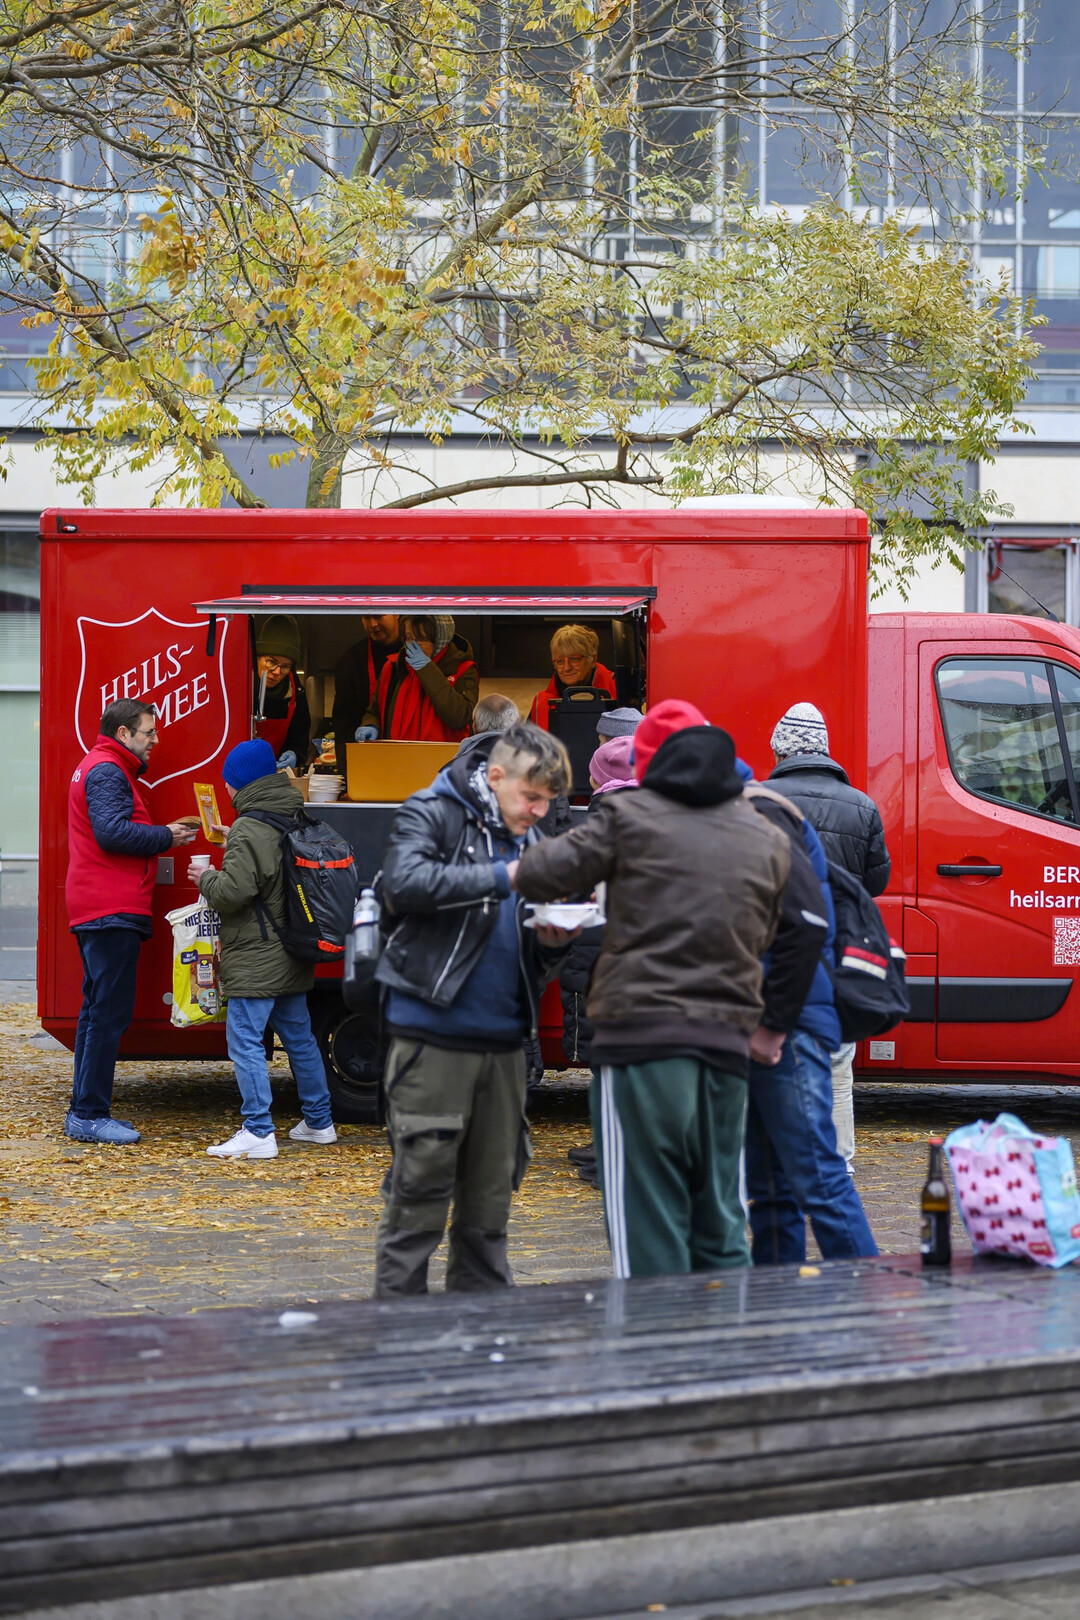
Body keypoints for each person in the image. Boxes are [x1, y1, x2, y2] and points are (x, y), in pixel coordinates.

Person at [512, 699, 796, 1279]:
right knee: (719, 1211)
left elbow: (548, 871)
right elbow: (779, 934)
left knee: (645, 1214)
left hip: (640, 1036)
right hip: (726, 1042)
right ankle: (724, 1350)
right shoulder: (763, 833)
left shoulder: (628, 815)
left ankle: (654, 1355)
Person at [373, 722, 576, 1296]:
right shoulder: (433, 809)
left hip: (505, 1045)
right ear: (495, 777)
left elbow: (527, 954)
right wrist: (503, 875)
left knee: (490, 1209)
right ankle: (398, 1343)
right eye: (531, 797)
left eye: (548, 801)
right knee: (418, 1203)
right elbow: (403, 884)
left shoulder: (530, 836)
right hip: (433, 1036)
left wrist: (554, 939)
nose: (539, 811)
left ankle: (485, 1344)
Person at [737, 757, 879, 1264]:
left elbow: (803, 926)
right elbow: (876, 874)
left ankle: (868, 1295)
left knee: (817, 1174)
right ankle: (779, 1302)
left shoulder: (758, 814)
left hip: (790, 1023)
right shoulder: (848, 804)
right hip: (788, 1017)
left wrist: (773, 1025)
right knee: (773, 1182)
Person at [190, 739, 335, 1161]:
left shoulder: (251, 826)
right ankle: (319, 1122)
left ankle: (257, 1130)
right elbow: (268, 872)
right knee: (300, 1039)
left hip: (257, 953)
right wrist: (232, 846)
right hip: (291, 947)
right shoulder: (290, 812)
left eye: (230, 784)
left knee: (245, 1041)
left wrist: (205, 876)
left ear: (242, 783)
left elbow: (233, 893)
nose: (228, 792)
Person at [766, 700, 892, 1172]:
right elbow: (876, 882)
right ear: (823, 747)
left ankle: (781, 1159)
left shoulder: (760, 800)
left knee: (777, 1057)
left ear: (780, 748)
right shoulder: (862, 806)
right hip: (839, 949)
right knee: (837, 1063)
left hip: (775, 950)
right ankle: (837, 1160)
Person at [65, 698, 196, 1144]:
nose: (155, 739)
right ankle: (88, 1114)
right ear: (125, 734)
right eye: (149, 732)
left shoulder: (99, 766)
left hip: (101, 906)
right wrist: (167, 836)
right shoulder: (106, 770)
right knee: (107, 1014)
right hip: (109, 907)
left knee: (96, 1010)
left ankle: (83, 1109)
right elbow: (112, 833)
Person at [561, 733, 639, 1189]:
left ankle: (607, 1156)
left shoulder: (596, 822)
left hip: (598, 952)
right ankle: (605, 1146)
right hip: (638, 956)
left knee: (605, 1057)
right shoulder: (655, 818)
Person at [359, 614, 478, 743]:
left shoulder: (463, 669)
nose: (412, 645)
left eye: (420, 639)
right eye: (408, 638)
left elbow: (460, 717)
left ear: (439, 640)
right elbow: (374, 711)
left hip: (443, 758)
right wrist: (370, 725)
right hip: (396, 756)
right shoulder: (392, 667)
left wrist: (426, 669)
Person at [331, 615, 402, 749]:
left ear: (396, 613)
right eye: (366, 617)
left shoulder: (419, 652)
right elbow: (343, 723)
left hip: (411, 752)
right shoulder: (351, 661)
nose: (372, 624)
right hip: (366, 754)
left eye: (378, 616)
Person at [529, 624, 617, 731]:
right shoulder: (541, 702)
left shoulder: (618, 692)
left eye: (574, 659)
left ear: (593, 660)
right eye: (560, 661)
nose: (566, 668)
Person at [253, 615, 311, 768]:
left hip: (274, 775)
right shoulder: (238, 688)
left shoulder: (296, 694)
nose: (277, 671)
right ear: (257, 657)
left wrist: (294, 755)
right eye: (271, 662)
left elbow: (300, 742)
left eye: (285, 666)